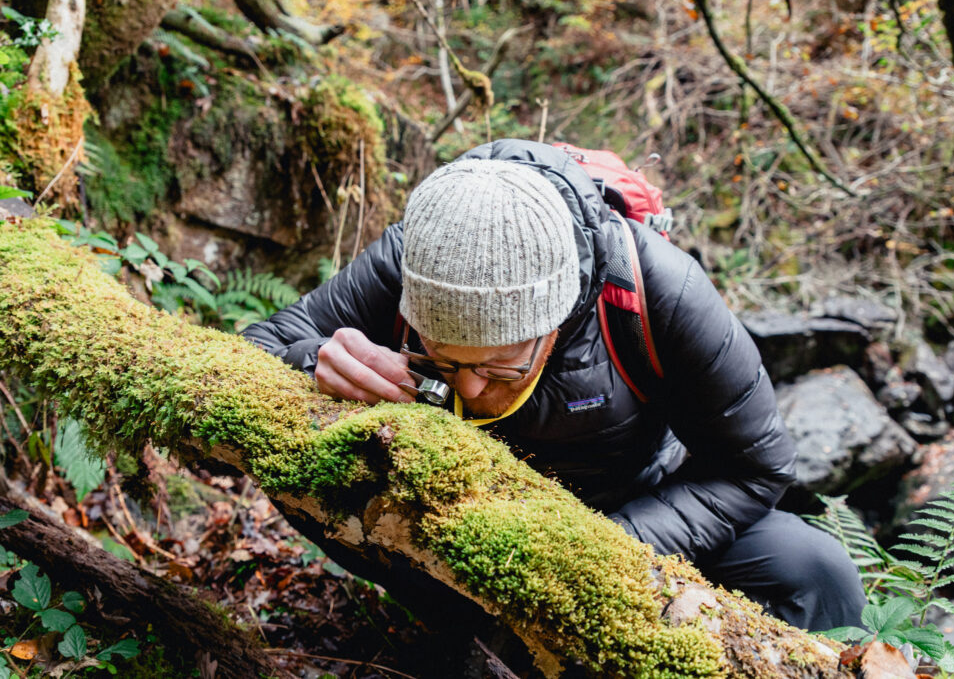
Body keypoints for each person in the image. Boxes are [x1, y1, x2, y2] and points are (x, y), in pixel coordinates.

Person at [243, 139, 867, 631]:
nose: (472, 391)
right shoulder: (419, 255)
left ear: (558, 319)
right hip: (462, 517)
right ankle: (463, 626)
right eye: (443, 361)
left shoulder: (659, 292)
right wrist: (315, 362)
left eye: (500, 368)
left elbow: (754, 468)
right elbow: (254, 349)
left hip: (632, 509)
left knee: (817, 572)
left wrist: (608, 550)